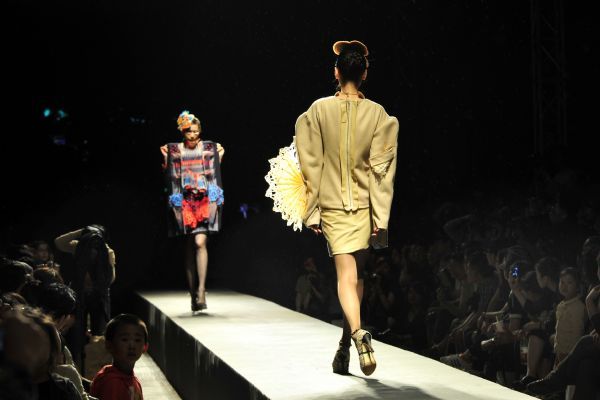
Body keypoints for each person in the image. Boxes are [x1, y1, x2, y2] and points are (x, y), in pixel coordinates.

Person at [295, 40, 398, 376]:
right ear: (365, 73)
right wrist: (381, 218)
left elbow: (309, 164)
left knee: (347, 277)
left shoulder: (317, 110)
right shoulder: (380, 115)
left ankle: (355, 336)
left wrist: (311, 210)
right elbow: (384, 172)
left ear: (335, 72)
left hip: (333, 205)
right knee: (358, 278)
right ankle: (345, 347)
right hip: (368, 207)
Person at [160, 111, 225, 312]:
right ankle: (192, 292)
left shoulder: (211, 149)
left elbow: (215, 169)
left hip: (204, 200)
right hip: (184, 201)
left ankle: (202, 289)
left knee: (200, 241)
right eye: (189, 131)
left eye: (196, 131)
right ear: (182, 131)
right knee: (189, 245)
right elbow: (168, 175)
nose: (193, 135)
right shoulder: (172, 150)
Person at [90, 314, 148, 400]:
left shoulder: (134, 381)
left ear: (145, 347)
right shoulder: (111, 382)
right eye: (125, 339)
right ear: (109, 345)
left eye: (137, 340)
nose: (132, 346)